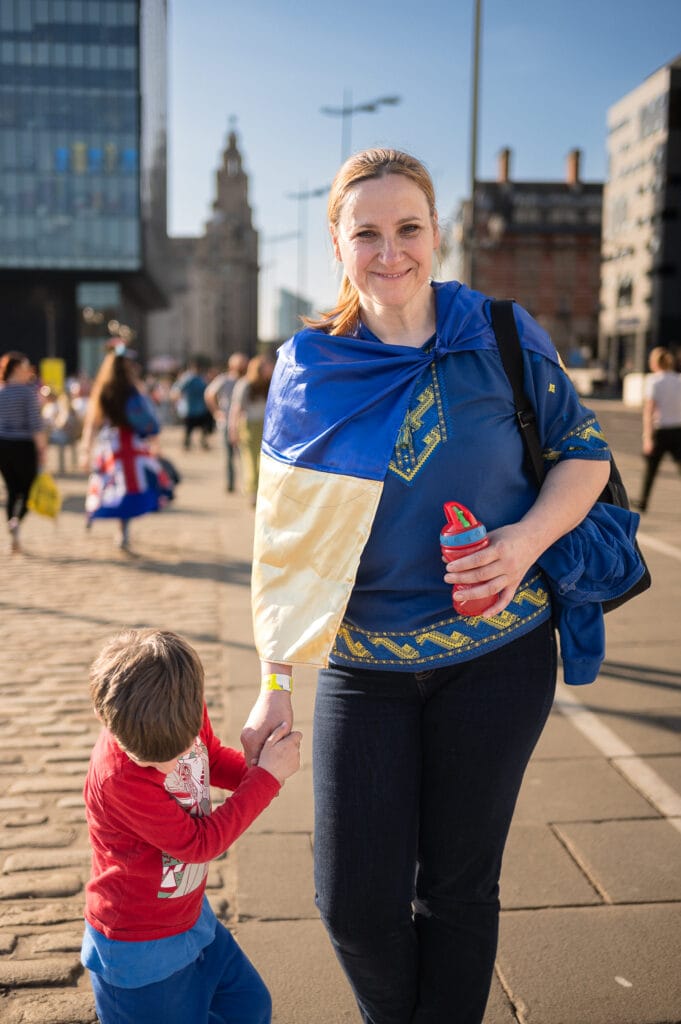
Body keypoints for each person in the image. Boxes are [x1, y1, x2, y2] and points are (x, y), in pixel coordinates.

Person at [241, 149, 615, 1024]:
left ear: (436, 233)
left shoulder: (503, 331)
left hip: (498, 661)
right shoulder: (308, 366)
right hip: (361, 669)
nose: (389, 251)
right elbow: (282, 543)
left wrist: (522, 542)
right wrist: (274, 682)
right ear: (336, 244)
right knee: (354, 904)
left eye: (408, 228)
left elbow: (584, 453)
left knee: (457, 890)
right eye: (364, 232)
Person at [82, 627, 301, 1024]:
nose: (169, 767)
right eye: (150, 760)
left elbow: (211, 757)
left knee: (249, 1008)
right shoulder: (119, 779)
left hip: (191, 916)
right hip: (139, 945)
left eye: (180, 750)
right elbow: (200, 844)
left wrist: (257, 768)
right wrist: (266, 780)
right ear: (104, 717)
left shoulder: (178, 711)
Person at [80, 343, 175, 550]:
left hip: (108, 445)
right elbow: (149, 421)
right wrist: (155, 444)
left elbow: (92, 422)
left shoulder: (103, 389)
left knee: (104, 482)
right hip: (130, 445)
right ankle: (122, 530)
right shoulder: (132, 391)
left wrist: (85, 449)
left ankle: (93, 511)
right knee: (128, 487)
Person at [0, 351, 47, 554]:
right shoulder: (27, 392)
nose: (30, 371)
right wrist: (42, 450)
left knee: (11, 490)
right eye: (27, 366)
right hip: (23, 445)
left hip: (2, 444)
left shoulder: (1, 391)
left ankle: (13, 531)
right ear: (17, 369)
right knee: (29, 490)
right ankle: (16, 521)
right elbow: (36, 424)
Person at [633, 346, 681, 512]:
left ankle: (643, 502)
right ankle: (643, 502)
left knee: (651, 470)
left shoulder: (654, 381)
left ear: (654, 363)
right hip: (678, 430)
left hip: (660, 431)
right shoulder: (678, 379)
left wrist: (647, 437)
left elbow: (649, 411)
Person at [228, 354, 273, 506]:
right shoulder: (245, 384)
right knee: (250, 461)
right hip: (250, 426)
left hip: (264, 425)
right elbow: (236, 409)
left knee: (262, 461)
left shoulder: (269, 383)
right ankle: (253, 491)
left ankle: (259, 491)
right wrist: (233, 429)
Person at [204, 351, 249, 491]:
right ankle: (230, 484)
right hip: (226, 422)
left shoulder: (248, 380)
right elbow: (209, 394)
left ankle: (247, 484)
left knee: (245, 455)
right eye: (240, 363)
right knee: (228, 456)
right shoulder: (224, 379)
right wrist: (217, 412)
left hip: (243, 422)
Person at [172, 362, 213, 450]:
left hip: (200, 408)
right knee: (189, 429)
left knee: (203, 428)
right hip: (190, 409)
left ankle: (202, 442)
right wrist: (177, 401)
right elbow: (177, 389)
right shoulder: (188, 378)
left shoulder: (201, 378)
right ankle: (187, 444)